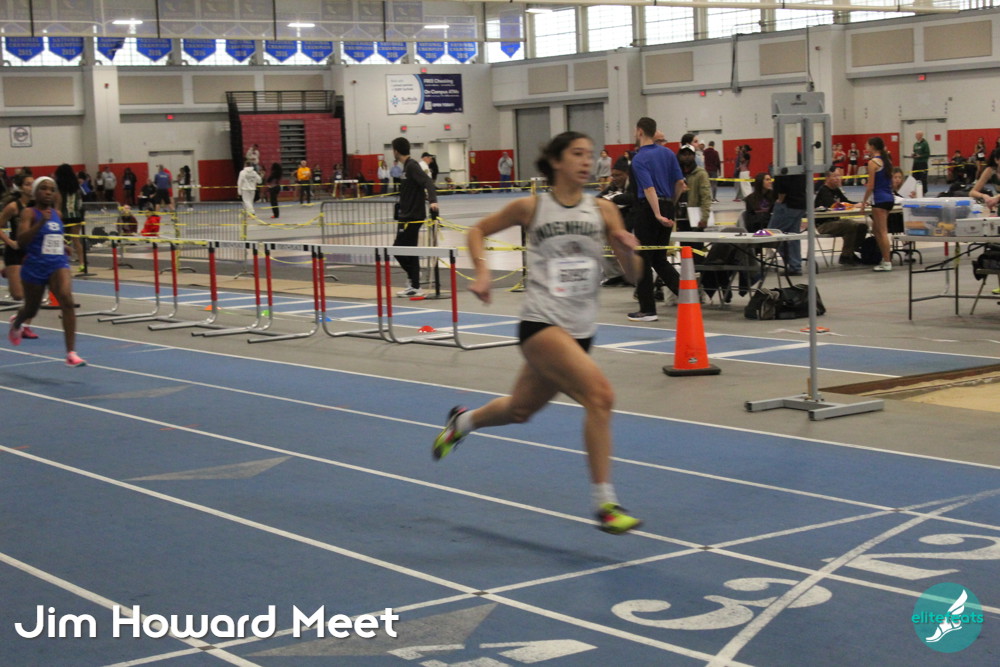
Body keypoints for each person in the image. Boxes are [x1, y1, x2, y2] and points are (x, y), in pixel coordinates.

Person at [431, 130, 643, 535]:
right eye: (577, 154)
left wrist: (627, 249)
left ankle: (462, 422)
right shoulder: (531, 206)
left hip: (581, 331)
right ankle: (606, 504)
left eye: (590, 155)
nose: (587, 161)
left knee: (520, 411)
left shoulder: (604, 211)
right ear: (557, 161)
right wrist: (482, 272)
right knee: (601, 397)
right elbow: (476, 231)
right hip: (541, 324)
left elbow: (634, 276)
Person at [7, 177, 85, 366]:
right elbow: (21, 241)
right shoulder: (28, 213)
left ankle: (71, 353)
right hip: (35, 266)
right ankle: (17, 322)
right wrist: (41, 222)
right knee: (31, 309)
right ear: (35, 192)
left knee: (67, 299)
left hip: (58, 263)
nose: (48, 192)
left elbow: (53, 236)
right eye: (43, 188)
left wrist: (63, 246)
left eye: (51, 189)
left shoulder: (57, 213)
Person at [627, 119, 685, 321]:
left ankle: (647, 310)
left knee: (643, 259)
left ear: (640, 131)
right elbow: (680, 184)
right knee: (660, 259)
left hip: (649, 210)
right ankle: (688, 296)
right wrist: (670, 206)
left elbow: (648, 188)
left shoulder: (639, 158)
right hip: (668, 204)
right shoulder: (668, 153)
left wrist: (658, 213)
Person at [391, 137, 438, 297]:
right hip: (405, 215)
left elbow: (428, 182)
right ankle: (414, 282)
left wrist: (433, 201)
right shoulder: (406, 168)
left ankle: (414, 281)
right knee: (405, 250)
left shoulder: (412, 166)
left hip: (413, 216)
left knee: (400, 249)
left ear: (396, 151)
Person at [0, 174, 38, 337]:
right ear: (21, 187)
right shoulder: (13, 207)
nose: (31, 187)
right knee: (18, 295)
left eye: (33, 184)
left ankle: (25, 325)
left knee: (33, 294)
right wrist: (9, 242)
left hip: (31, 252)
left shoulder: (37, 206)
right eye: (28, 184)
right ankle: (8, 271)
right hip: (15, 251)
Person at [813, 169, 868, 265]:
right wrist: (854, 206)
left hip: (836, 222)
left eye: (839, 176)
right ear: (827, 178)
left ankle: (851, 251)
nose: (838, 178)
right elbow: (835, 206)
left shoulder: (836, 190)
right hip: (823, 225)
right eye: (835, 176)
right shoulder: (824, 191)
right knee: (850, 225)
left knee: (862, 227)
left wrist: (862, 204)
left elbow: (847, 202)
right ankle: (845, 256)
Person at [860, 137, 895, 272]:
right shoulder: (887, 161)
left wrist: (864, 202)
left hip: (879, 200)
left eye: (867, 145)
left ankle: (887, 261)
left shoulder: (873, 162)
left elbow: (871, 186)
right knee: (876, 230)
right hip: (889, 198)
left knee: (882, 231)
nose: (866, 147)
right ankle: (884, 258)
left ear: (873, 146)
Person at [770, 167, 807, 276]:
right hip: (800, 203)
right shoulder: (800, 163)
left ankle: (792, 262)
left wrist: (780, 200)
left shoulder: (784, 162)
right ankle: (795, 266)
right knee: (793, 236)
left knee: (771, 234)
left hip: (788, 203)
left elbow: (783, 182)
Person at [55, 164, 85, 267]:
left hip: (64, 216)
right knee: (76, 241)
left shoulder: (59, 187)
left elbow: (58, 203)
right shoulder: (76, 186)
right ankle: (82, 263)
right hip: (76, 215)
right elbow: (80, 202)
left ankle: (63, 263)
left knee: (63, 240)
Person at [969, 147, 1000, 213]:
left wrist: (997, 198)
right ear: (996, 160)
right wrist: (984, 196)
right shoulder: (990, 171)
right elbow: (972, 192)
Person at [911, 130, 930, 195]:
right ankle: (915, 190)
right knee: (914, 177)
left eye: (917, 135)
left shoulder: (925, 143)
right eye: (916, 135)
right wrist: (913, 155)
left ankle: (923, 191)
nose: (916, 136)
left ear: (921, 135)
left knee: (922, 178)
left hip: (922, 163)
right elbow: (914, 152)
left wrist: (920, 156)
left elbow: (927, 154)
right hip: (916, 163)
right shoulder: (915, 144)